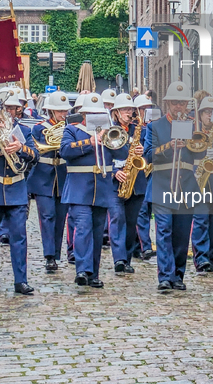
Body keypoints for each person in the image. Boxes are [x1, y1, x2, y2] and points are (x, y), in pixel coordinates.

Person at [144, 81, 207, 292]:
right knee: (163, 231)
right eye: (175, 103)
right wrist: (169, 145)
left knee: (181, 235)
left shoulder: (192, 125)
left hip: (187, 187)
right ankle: (165, 276)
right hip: (162, 186)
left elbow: (201, 152)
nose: (179, 107)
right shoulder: (155, 126)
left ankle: (178, 275)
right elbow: (147, 156)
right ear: (168, 103)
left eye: (182, 103)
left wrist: (201, 140)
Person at [0, 91, 38, 294]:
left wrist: (20, 148)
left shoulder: (25, 131)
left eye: (12, 108)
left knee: (19, 237)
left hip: (17, 190)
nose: (8, 112)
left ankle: (21, 280)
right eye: (5, 108)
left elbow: (35, 155)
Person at [60, 93, 117, 287]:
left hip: (101, 189)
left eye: (98, 113)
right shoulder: (72, 130)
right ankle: (82, 270)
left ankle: (93, 273)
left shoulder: (108, 132)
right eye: (91, 112)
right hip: (79, 188)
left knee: (97, 231)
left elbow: (122, 153)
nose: (94, 116)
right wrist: (89, 142)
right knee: (83, 228)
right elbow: (65, 151)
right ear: (83, 114)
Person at [27, 91, 70, 272]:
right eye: (59, 111)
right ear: (50, 111)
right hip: (43, 177)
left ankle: (56, 254)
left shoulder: (69, 128)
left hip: (62, 176)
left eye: (65, 111)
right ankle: (49, 256)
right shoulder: (39, 128)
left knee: (60, 218)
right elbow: (35, 150)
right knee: (47, 216)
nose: (63, 114)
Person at [109, 93, 147, 272]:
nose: (128, 112)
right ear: (116, 112)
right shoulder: (109, 130)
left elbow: (148, 156)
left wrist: (142, 151)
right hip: (116, 182)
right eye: (124, 109)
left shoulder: (139, 130)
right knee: (117, 219)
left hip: (136, 182)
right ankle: (119, 259)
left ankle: (128, 259)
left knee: (131, 223)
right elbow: (102, 156)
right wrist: (114, 172)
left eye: (130, 109)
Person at [190, 96, 213, 272]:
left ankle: (212, 257)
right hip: (197, 181)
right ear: (200, 114)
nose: (209, 116)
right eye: (206, 112)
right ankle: (201, 258)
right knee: (200, 220)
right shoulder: (193, 132)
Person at [131, 95, 156, 259]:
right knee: (140, 209)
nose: (146, 111)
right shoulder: (134, 127)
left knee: (147, 209)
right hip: (137, 171)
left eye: (149, 108)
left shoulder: (154, 126)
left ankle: (140, 244)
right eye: (143, 109)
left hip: (151, 170)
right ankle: (143, 245)